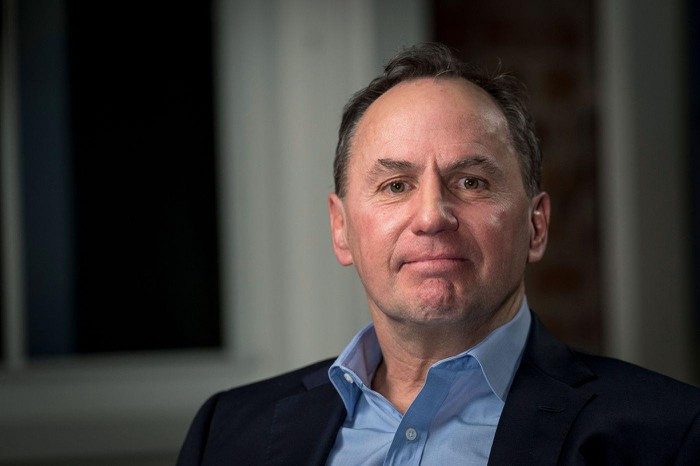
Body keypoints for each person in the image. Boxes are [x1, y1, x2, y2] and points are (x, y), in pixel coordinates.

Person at [177, 43, 700, 465]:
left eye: (471, 181)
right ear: (341, 229)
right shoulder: (226, 431)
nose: (431, 216)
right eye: (396, 185)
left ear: (536, 226)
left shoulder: (670, 435)